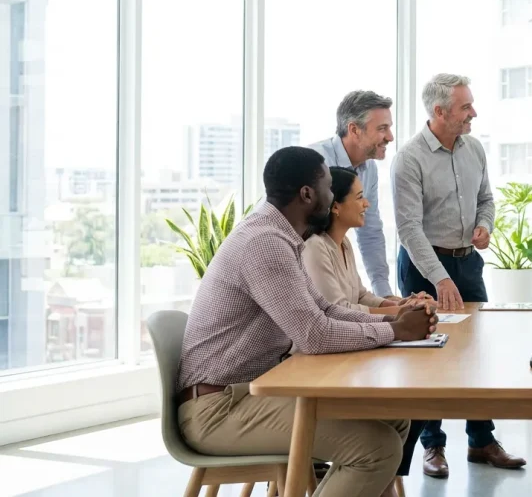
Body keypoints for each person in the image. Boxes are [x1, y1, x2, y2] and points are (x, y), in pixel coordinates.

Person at [176, 146, 438, 497]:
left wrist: (396, 319)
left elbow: (324, 310)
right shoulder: (265, 243)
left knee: (393, 417)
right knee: (378, 449)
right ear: (307, 194)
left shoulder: (282, 237)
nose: (332, 196)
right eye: (328, 187)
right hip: (218, 410)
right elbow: (314, 335)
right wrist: (394, 331)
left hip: (244, 395)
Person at [392, 73, 526, 478]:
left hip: (468, 263)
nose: (474, 113)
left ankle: (481, 440)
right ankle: (432, 445)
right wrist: (439, 278)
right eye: (465, 107)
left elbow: (487, 199)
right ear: (440, 111)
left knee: (476, 352)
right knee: (429, 354)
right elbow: (409, 229)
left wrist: (484, 225)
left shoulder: (475, 149)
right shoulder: (409, 159)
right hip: (423, 266)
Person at [301, 166, 436, 486]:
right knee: (403, 409)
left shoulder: (343, 244)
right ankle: (374, 478)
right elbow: (337, 310)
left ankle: (378, 484)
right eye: (360, 197)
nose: (367, 204)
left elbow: (360, 295)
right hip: (325, 367)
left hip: (348, 354)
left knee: (407, 410)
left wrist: (400, 303)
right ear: (335, 205)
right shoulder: (315, 247)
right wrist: (399, 317)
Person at [311, 90, 397, 299]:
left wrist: (385, 295)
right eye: (382, 128)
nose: (390, 137)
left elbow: (370, 231)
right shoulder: (316, 162)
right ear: (354, 129)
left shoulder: (369, 169)